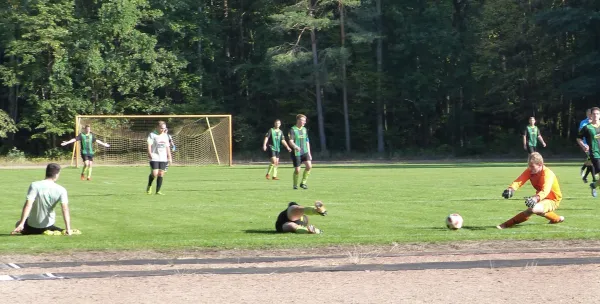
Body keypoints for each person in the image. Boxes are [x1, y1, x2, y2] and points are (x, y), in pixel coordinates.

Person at [498, 152, 564, 229]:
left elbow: (545, 191)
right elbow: (519, 180)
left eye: (532, 166)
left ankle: (505, 225)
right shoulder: (530, 170)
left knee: (532, 209)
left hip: (553, 200)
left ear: (540, 165)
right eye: (529, 166)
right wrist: (511, 189)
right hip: (542, 198)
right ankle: (557, 219)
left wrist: (535, 198)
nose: (530, 168)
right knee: (538, 210)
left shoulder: (548, 174)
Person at [12, 163, 74, 235]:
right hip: (48, 225)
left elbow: (28, 205)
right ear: (57, 174)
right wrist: (68, 228)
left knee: (18, 223)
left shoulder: (34, 185)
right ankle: (54, 231)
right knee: (55, 228)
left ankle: (25, 229)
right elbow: (65, 209)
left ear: (46, 172)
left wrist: (21, 223)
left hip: (32, 226)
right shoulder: (61, 190)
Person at [577, 107, 600, 197]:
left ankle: (593, 185)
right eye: (594, 114)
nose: (596, 116)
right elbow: (578, 138)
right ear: (590, 115)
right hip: (595, 154)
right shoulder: (587, 127)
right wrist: (583, 145)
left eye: (597, 114)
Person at [146, 121, 172, 195]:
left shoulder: (166, 135)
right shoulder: (152, 135)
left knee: (161, 174)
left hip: (163, 158)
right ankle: (149, 185)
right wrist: (149, 153)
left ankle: (158, 191)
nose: (163, 130)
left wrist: (169, 157)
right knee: (154, 174)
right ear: (157, 127)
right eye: (161, 128)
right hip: (155, 156)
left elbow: (167, 147)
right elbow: (149, 145)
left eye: (164, 128)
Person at [288, 114, 312, 189]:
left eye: (305, 120)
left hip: (305, 151)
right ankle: (295, 185)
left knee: (309, 166)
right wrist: (295, 146)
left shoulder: (304, 129)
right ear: (298, 120)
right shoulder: (292, 129)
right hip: (296, 153)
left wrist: (309, 152)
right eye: (303, 120)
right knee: (297, 170)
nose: (304, 122)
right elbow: (290, 141)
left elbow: (307, 141)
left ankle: (303, 183)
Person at [578, 109, 593, 183]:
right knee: (591, 159)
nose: (591, 115)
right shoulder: (583, 122)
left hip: (595, 144)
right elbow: (580, 133)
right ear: (587, 114)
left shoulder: (596, 122)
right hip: (586, 144)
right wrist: (583, 144)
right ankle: (589, 178)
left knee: (591, 160)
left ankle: (583, 169)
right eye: (589, 114)